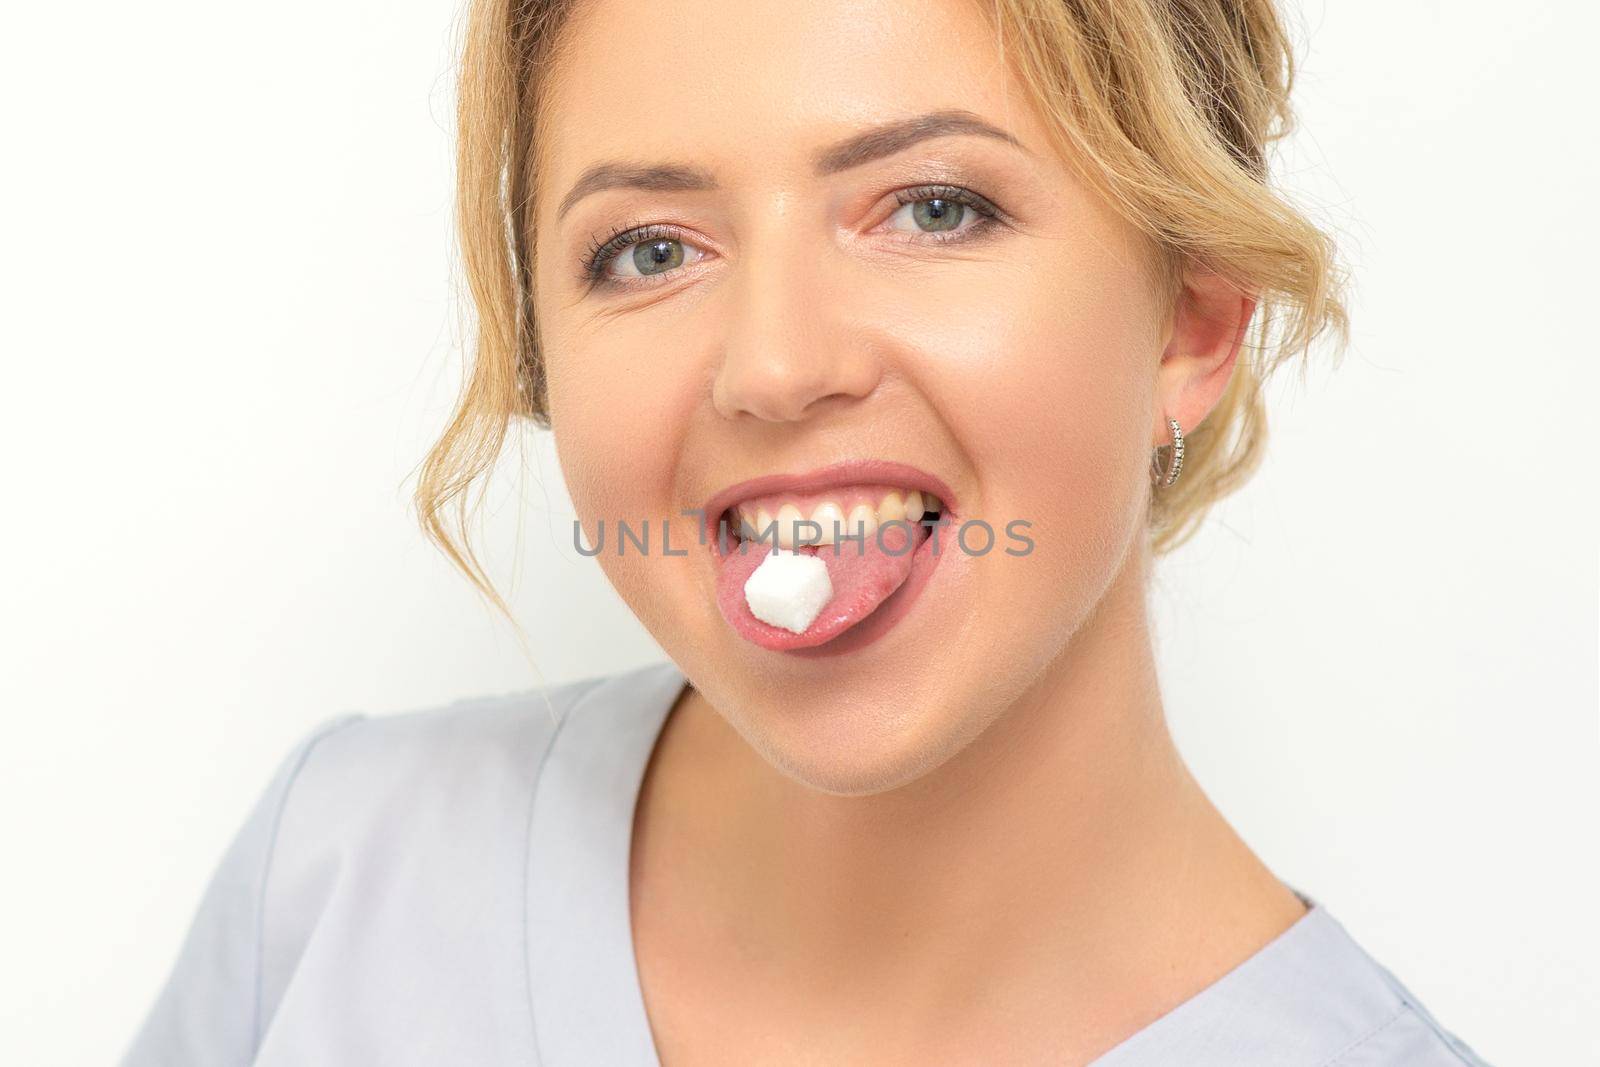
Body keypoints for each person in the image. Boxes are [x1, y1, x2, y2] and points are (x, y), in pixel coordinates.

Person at [121, 0, 1492, 1063]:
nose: (773, 367)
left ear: (1195, 316)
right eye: (650, 249)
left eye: (936, 208)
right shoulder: (340, 870)